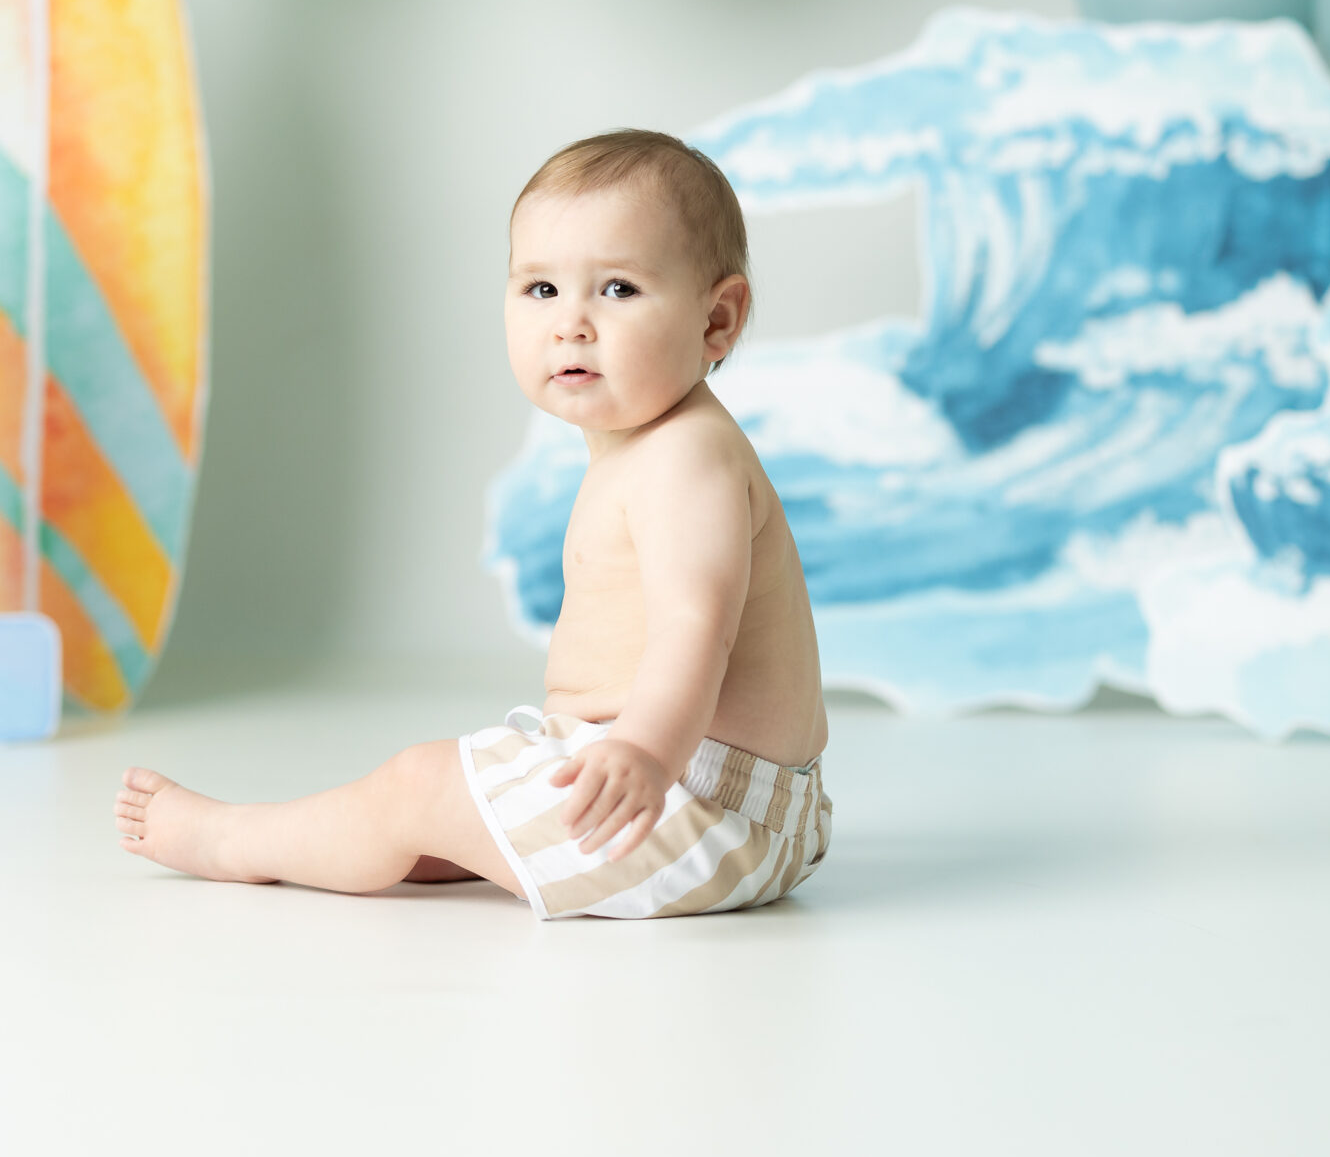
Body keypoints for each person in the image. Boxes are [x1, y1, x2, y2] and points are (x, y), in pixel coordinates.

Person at [118, 129, 831, 920]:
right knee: (436, 820)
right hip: (695, 799)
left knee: (419, 785)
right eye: (541, 289)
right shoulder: (651, 445)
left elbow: (696, 625)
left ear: (716, 321)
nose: (572, 323)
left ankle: (236, 841)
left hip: (696, 811)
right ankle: (367, 838)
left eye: (619, 289)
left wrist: (645, 751)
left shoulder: (684, 457)